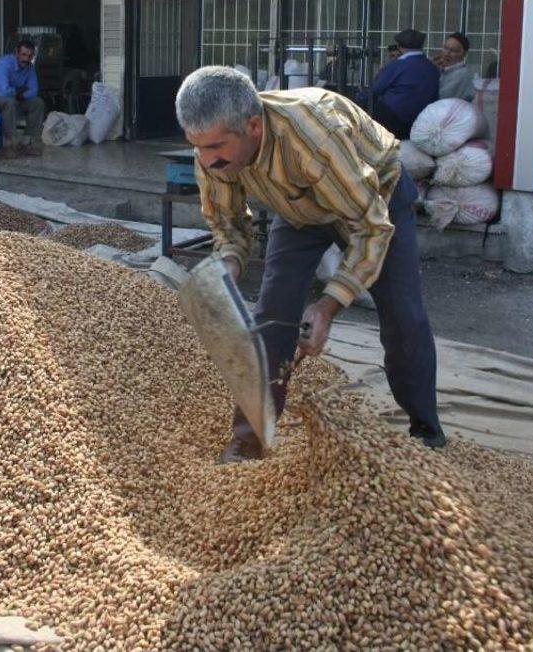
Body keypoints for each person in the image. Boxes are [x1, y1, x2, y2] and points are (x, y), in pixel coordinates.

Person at [175, 66, 445, 464]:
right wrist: (230, 263)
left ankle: (426, 429)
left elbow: (371, 227)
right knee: (272, 315)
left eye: (215, 147)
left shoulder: (314, 135)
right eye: (197, 147)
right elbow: (228, 223)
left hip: (374, 201)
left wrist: (329, 304)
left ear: (253, 126)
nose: (206, 159)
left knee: (403, 315)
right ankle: (250, 437)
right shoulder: (213, 152)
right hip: (299, 210)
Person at [356, 29, 439, 139]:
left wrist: (357, 98)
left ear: (399, 46)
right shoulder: (432, 68)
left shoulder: (398, 65)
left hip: (393, 118)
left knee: (361, 107)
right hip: (420, 119)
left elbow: (376, 89)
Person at [0, 40, 44, 158]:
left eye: (30, 56)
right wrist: (19, 91)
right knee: (9, 102)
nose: (26, 59)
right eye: (23, 55)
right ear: (17, 53)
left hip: (14, 98)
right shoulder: (3, 64)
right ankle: (10, 145)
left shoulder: (29, 67)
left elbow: (33, 91)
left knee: (37, 103)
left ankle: (26, 143)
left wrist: (21, 95)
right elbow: (3, 92)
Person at [436, 32, 474, 101]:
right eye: (445, 48)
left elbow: (441, 97)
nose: (447, 53)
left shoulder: (462, 74)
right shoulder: (440, 69)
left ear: (464, 54)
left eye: (453, 50)